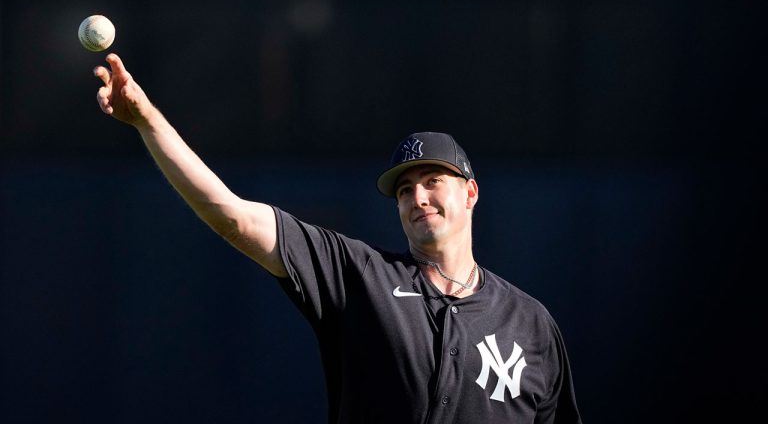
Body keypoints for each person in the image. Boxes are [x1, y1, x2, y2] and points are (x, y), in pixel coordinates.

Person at [93, 53, 582, 424]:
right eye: (405, 190)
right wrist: (146, 119)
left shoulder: (532, 324)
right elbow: (235, 219)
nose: (418, 197)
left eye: (433, 180)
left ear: (470, 192)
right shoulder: (359, 277)